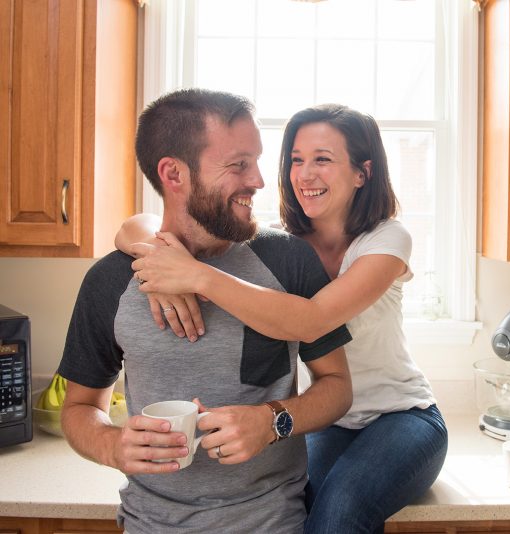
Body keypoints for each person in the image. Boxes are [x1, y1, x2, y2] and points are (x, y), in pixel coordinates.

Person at [116, 103, 448, 534]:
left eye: (323, 160)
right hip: (328, 420)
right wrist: (159, 261)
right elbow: (134, 225)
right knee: (300, 505)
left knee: (342, 510)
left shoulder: (386, 240)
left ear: (362, 172)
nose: (305, 174)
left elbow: (312, 321)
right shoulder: (283, 246)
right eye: (296, 160)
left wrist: (194, 275)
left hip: (402, 416)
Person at [58, 89, 353, 534]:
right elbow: (79, 406)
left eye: (255, 161)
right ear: (174, 174)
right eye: (238, 164)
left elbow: (337, 387)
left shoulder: (289, 261)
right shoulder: (111, 281)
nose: (257, 179)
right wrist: (110, 444)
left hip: (273, 522)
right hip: (149, 523)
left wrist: (273, 421)